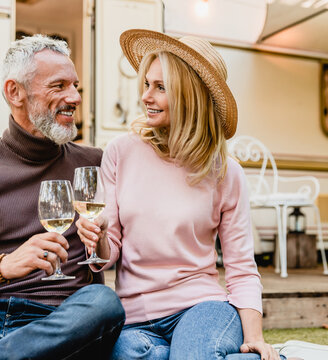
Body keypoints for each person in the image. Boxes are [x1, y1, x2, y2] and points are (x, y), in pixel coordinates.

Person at [77, 29, 281, 359]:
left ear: (190, 97)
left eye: (161, 88)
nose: (146, 97)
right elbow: (107, 253)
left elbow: (241, 267)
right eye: (146, 84)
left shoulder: (225, 172)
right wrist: (97, 237)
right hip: (135, 319)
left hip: (202, 309)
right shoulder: (119, 153)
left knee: (191, 355)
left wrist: (255, 336)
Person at [0, 34, 125, 359]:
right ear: (14, 92)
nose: (74, 97)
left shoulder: (93, 162)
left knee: (104, 303)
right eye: (59, 85)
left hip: (67, 321)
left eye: (76, 86)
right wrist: (3, 267)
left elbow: (105, 259)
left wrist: (102, 237)